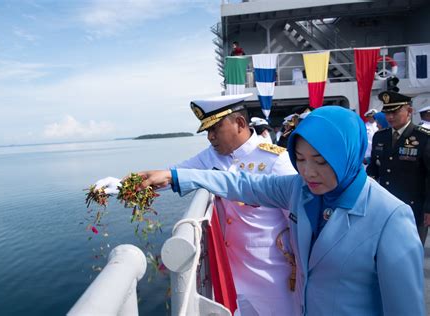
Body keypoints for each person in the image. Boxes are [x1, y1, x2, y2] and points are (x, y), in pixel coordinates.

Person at [138, 106, 425, 316]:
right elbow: (242, 184)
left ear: (348, 154)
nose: (308, 172)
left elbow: (405, 309)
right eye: (299, 159)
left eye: (321, 161)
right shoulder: (299, 190)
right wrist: (175, 176)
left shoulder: (390, 217)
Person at [98, 94, 300, 316]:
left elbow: (298, 218)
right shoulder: (211, 157)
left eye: (215, 129)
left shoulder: (275, 160)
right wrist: (121, 186)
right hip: (233, 276)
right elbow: (170, 175)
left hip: (274, 277)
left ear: (240, 123)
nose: (210, 137)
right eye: (207, 131)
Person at [367, 91, 430, 245]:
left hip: (414, 208)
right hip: (385, 207)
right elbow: (373, 170)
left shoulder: (424, 138)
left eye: (395, 112)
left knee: (411, 253)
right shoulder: (380, 137)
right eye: (387, 112)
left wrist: (429, 208)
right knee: (387, 251)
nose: (389, 117)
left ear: (409, 111)